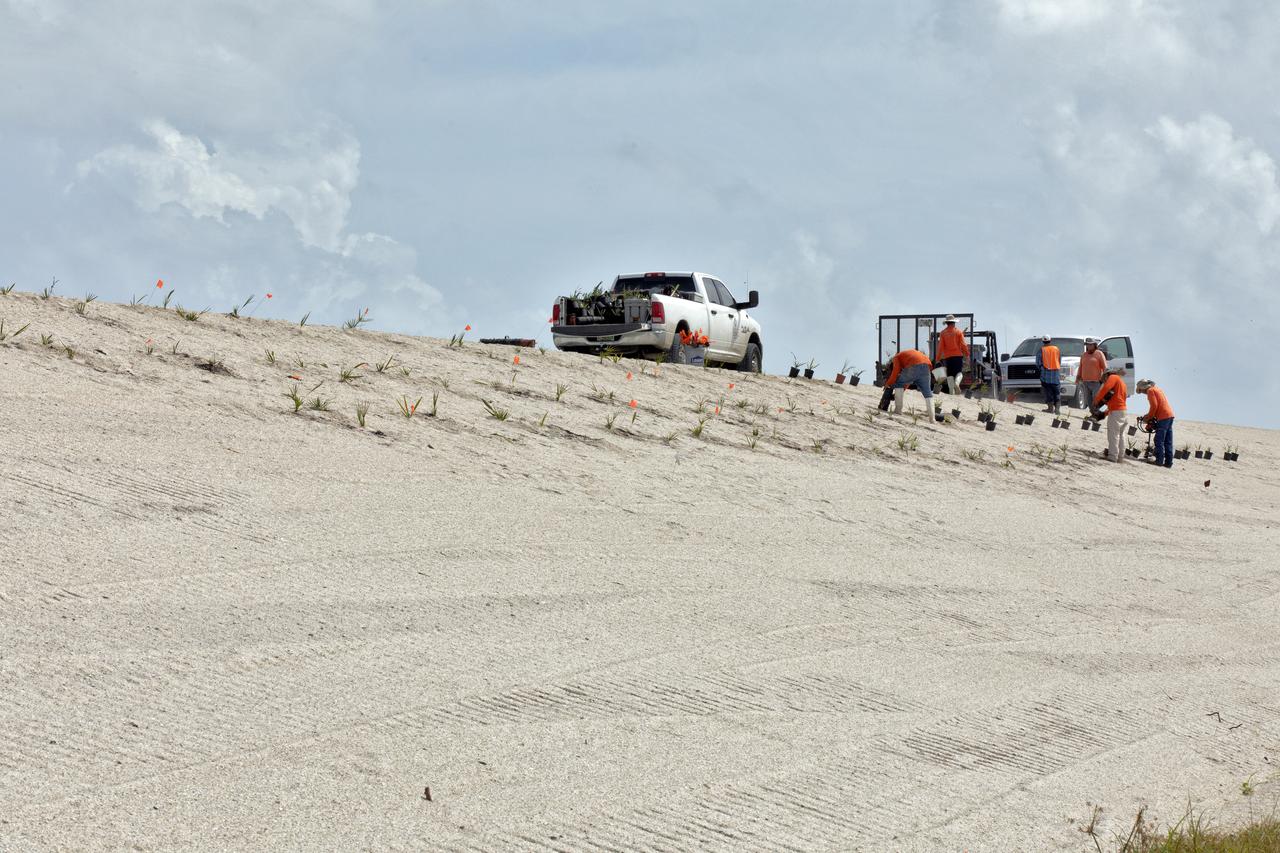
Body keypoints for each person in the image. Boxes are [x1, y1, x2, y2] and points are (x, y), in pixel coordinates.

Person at [1092, 365, 1128, 463]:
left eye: (1104, 377)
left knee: (1113, 434)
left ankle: (1112, 457)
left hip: (1116, 412)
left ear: (1108, 374)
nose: (1103, 380)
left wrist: (1096, 399)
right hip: (1123, 412)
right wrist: (1105, 413)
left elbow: (1106, 388)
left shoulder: (1113, 377)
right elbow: (1118, 402)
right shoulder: (1122, 383)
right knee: (1121, 435)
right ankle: (1120, 457)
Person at [1136, 379, 1175, 468]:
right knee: (1168, 441)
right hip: (1170, 415)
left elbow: (1154, 406)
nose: (1142, 393)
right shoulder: (1157, 389)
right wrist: (1147, 416)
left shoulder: (1150, 391)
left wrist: (1148, 418)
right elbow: (1159, 406)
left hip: (1163, 417)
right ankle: (1168, 463)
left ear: (1143, 388)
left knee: (1158, 440)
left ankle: (1159, 461)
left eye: (1141, 391)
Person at [883, 348, 933, 414]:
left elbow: (895, 373)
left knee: (898, 383)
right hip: (927, 365)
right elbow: (908, 381)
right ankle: (932, 419)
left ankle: (898, 410)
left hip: (915, 364)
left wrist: (888, 384)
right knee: (928, 393)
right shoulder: (906, 356)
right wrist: (902, 391)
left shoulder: (896, 357)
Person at [934, 314, 970, 396]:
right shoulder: (958, 332)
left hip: (948, 358)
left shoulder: (942, 333)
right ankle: (957, 383)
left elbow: (940, 347)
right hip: (958, 356)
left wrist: (938, 358)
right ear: (954, 323)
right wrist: (967, 355)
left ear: (947, 323)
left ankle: (951, 392)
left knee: (950, 375)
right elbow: (964, 345)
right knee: (959, 372)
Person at [1076, 337, 1107, 410]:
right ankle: (1093, 414)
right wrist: (1078, 377)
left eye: (1090, 345)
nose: (1088, 346)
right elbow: (1081, 367)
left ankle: (1095, 415)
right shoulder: (1084, 355)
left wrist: (1105, 378)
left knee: (1095, 399)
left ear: (1094, 345)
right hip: (1085, 382)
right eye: (1087, 344)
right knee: (1088, 401)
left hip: (1096, 382)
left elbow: (1105, 367)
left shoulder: (1099, 354)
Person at [1036, 335, 1062, 414]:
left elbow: (1038, 362)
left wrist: (1041, 369)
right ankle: (1057, 409)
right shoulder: (1056, 349)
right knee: (1056, 392)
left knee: (1048, 392)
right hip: (1056, 375)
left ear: (1043, 341)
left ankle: (1050, 409)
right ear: (1050, 340)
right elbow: (1059, 360)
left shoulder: (1041, 350)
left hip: (1045, 375)